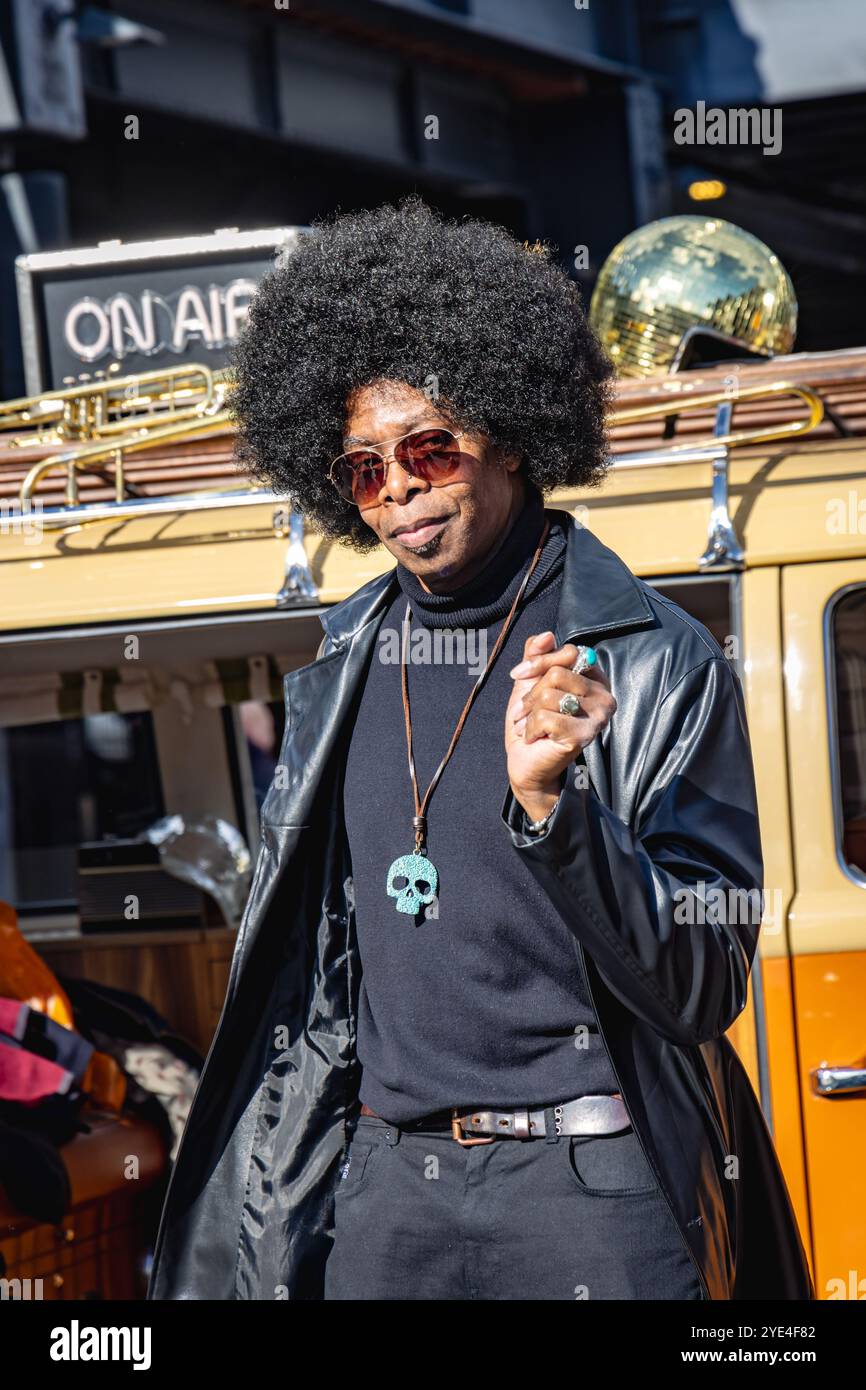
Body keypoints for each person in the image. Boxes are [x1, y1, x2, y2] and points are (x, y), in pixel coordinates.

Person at [147, 196, 813, 1301]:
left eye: (426, 448)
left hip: (589, 1187)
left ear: (504, 428)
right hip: (387, 1190)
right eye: (362, 468)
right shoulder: (339, 667)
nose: (397, 488)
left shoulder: (649, 658)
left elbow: (702, 984)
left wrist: (558, 818)